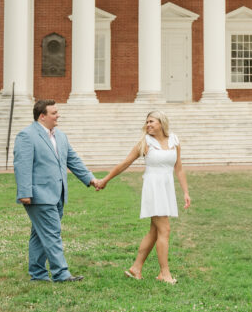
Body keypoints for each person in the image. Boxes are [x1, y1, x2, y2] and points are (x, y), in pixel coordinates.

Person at [97, 110, 191, 284]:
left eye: (151, 121)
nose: (148, 125)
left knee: (155, 231)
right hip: (153, 188)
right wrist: (105, 180)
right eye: (147, 122)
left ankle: (136, 268)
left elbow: (179, 168)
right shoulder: (145, 142)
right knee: (165, 230)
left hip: (166, 188)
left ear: (161, 123)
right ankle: (164, 273)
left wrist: (185, 192)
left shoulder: (174, 141)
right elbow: (125, 163)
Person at [13, 99, 100, 282]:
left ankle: (37, 274)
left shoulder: (60, 136)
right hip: (38, 196)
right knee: (52, 233)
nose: (58, 115)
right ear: (42, 116)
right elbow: (22, 165)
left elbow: (73, 160)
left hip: (58, 194)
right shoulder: (27, 135)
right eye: (54, 113)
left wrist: (90, 179)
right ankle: (61, 274)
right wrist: (24, 193)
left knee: (39, 235)